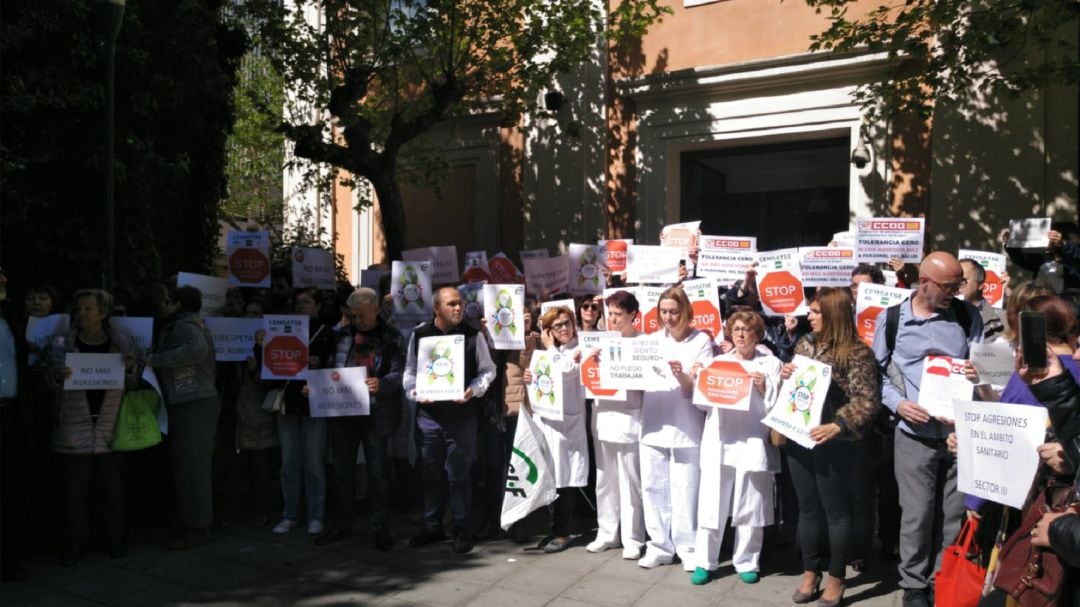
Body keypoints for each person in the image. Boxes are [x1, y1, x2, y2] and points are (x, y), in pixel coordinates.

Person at [871, 251, 983, 607]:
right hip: (914, 434)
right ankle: (914, 585)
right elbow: (876, 373)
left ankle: (942, 579)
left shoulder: (967, 315)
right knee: (917, 515)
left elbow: (982, 367)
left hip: (957, 436)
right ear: (924, 282)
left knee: (953, 515)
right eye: (948, 286)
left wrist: (978, 373)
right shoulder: (892, 319)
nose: (955, 292)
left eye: (958, 285)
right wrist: (899, 404)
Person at [783, 288, 881, 605]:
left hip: (834, 441)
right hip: (800, 435)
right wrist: (787, 374)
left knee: (836, 512)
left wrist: (839, 424)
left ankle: (837, 576)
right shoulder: (805, 343)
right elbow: (797, 386)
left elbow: (867, 401)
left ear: (833, 314)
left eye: (815, 311)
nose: (809, 316)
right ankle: (810, 572)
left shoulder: (857, 352)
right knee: (808, 509)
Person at [41, 288, 143, 564]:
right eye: (79, 309)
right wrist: (56, 376)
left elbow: (136, 384)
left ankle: (115, 539)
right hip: (74, 427)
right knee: (75, 493)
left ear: (103, 313)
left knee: (113, 490)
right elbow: (43, 380)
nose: (82, 314)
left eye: (88, 308)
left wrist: (131, 369)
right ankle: (77, 543)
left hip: (111, 426)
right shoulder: (60, 343)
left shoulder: (123, 343)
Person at [690, 310, 781, 586]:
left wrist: (764, 387)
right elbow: (702, 404)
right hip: (720, 440)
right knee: (711, 504)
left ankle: (747, 561)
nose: (741, 335)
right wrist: (699, 379)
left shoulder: (770, 363)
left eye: (747, 330)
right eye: (737, 329)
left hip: (752, 440)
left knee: (751, 504)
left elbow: (777, 407)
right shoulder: (718, 362)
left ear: (757, 334)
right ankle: (704, 561)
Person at [404, 286, 496, 554]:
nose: (458, 308)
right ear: (436, 308)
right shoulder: (420, 334)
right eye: (451, 304)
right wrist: (415, 392)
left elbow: (488, 370)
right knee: (430, 474)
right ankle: (432, 526)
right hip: (429, 418)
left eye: (460, 303)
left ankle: (460, 528)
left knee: (459, 476)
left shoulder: (473, 335)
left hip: (462, 418)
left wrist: (473, 390)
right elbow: (409, 372)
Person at [317, 288, 404, 549]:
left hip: (376, 414)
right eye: (353, 315)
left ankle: (381, 528)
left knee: (378, 473)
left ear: (376, 309)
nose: (357, 320)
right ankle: (341, 524)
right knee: (342, 471)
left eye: (362, 315)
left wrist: (382, 384)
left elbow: (400, 374)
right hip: (344, 412)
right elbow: (330, 368)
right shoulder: (342, 334)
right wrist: (318, 388)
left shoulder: (391, 337)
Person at [638, 287, 713, 570]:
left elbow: (701, 385)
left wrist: (682, 375)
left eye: (674, 312)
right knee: (653, 486)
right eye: (664, 312)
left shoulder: (700, 341)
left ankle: (687, 546)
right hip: (654, 422)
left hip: (686, 424)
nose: (668, 317)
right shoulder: (651, 341)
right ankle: (659, 545)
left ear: (686, 312)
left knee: (686, 488)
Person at [148, 284, 220, 550]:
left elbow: (196, 350)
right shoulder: (183, 324)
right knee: (186, 466)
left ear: (178, 305)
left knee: (194, 467)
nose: (162, 305)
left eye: (167, 301)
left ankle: (199, 526)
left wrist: (157, 359)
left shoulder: (185, 325)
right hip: (189, 400)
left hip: (194, 402)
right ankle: (190, 521)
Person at [521, 306, 590, 553]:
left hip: (568, 425)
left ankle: (562, 532)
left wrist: (549, 348)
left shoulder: (579, 349)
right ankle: (553, 529)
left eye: (567, 323)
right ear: (549, 330)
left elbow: (567, 371)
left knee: (567, 478)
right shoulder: (547, 354)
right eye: (558, 325)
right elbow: (543, 383)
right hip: (548, 423)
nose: (564, 328)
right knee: (552, 478)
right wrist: (530, 379)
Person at [268, 288, 336, 537]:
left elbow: (338, 370)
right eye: (297, 302)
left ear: (318, 306)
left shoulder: (328, 333)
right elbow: (269, 366)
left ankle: (316, 516)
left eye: (307, 302)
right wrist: (260, 345)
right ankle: (290, 514)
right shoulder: (280, 329)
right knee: (289, 463)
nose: (301, 306)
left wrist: (321, 365)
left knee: (313, 463)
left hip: (315, 405)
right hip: (288, 403)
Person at [586, 290, 646, 560]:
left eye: (618, 314)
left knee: (631, 482)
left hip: (629, 419)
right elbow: (583, 374)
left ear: (633, 315)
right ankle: (607, 532)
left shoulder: (643, 343)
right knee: (605, 480)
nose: (613, 319)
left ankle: (633, 538)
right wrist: (588, 359)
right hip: (603, 417)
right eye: (610, 314)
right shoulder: (598, 342)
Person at [958, 258, 1007, 341]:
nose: (956, 284)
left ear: (980, 285)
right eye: (953, 279)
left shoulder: (1001, 320)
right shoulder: (940, 314)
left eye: (963, 280)